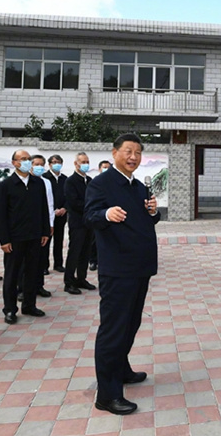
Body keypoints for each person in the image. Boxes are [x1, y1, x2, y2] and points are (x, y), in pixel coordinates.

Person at [85, 134, 159, 415]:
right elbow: (89, 216)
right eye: (128, 151)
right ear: (114, 152)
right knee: (113, 329)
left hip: (140, 267)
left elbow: (147, 219)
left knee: (131, 323)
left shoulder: (138, 186)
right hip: (117, 269)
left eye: (138, 152)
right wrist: (105, 214)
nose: (134, 157)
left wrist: (153, 212)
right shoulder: (101, 183)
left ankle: (122, 368)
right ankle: (107, 394)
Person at [0, 150, 50, 324]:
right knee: (12, 274)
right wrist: (4, 240)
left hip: (34, 236)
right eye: (23, 159)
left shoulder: (38, 183)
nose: (27, 162)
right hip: (15, 237)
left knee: (32, 272)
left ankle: (29, 304)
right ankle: (10, 309)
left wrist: (44, 232)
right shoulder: (6, 185)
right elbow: (1, 215)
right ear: (15, 163)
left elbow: (43, 209)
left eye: (29, 159)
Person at [64, 153, 97, 295]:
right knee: (75, 252)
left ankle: (81, 278)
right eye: (83, 162)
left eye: (87, 161)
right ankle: (69, 281)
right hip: (77, 222)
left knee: (86, 252)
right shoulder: (70, 181)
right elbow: (73, 202)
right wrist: (90, 206)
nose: (85, 164)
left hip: (89, 222)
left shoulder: (89, 180)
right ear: (76, 164)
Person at [31, 155, 55, 297]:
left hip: (43, 225)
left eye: (42, 164)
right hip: (29, 226)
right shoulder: (26, 182)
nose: (39, 167)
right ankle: (23, 288)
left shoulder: (46, 182)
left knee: (41, 257)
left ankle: (39, 285)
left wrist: (50, 224)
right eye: (36, 164)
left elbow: (49, 204)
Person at [43, 154, 69, 273]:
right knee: (46, 240)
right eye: (53, 162)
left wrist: (64, 208)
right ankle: (44, 265)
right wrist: (51, 210)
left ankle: (58, 264)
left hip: (62, 214)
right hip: (48, 214)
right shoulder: (44, 178)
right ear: (49, 164)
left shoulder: (65, 179)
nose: (56, 164)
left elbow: (69, 196)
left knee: (59, 240)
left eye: (58, 162)